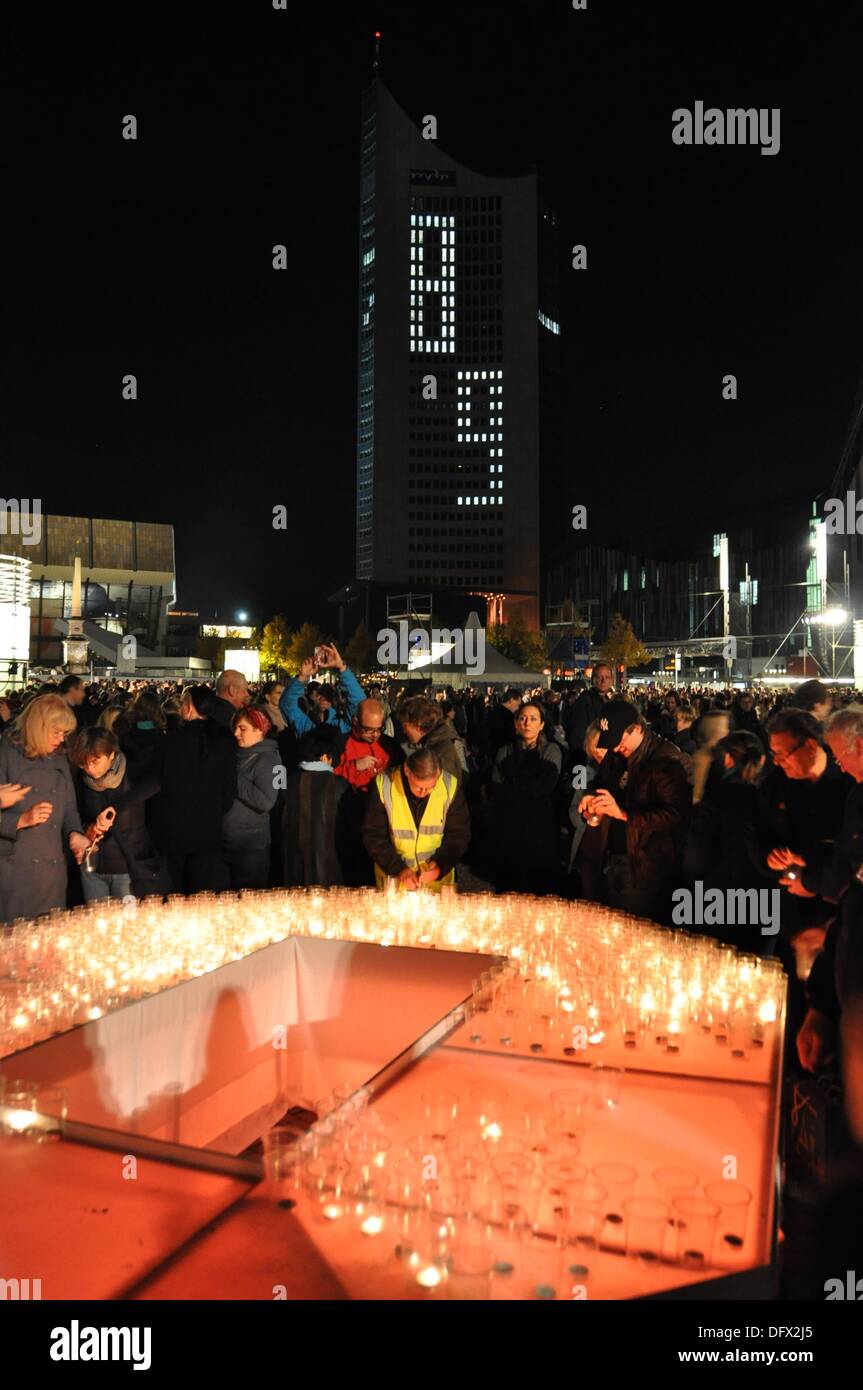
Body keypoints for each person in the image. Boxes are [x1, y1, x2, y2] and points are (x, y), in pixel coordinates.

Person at [579, 699, 692, 922]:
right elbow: (601, 782)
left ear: (638, 729)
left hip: (647, 866)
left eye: (620, 741)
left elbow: (676, 816)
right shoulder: (617, 754)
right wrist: (591, 797)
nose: (615, 748)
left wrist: (623, 814)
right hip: (612, 858)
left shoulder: (668, 760)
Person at [0, 694, 91, 923]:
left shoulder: (59, 758)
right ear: (38, 727)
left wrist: (75, 833)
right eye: (56, 732)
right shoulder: (8, 753)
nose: (61, 739)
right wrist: (21, 820)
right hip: (15, 870)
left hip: (52, 871)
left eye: (64, 733)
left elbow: (69, 807)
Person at [148, 685, 237, 894]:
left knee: (174, 893)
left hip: (173, 831)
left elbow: (156, 784)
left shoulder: (171, 740)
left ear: (188, 708)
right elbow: (229, 791)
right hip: (208, 830)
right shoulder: (224, 742)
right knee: (202, 894)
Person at [70, 725, 163, 901]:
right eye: (84, 763)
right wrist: (87, 828)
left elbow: (156, 783)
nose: (89, 769)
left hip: (128, 866)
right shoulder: (80, 781)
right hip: (92, 867)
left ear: (111, 755)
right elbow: (73, 815)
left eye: (95, 761)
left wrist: (116, 807)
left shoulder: (133, 773)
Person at [363, 748, 470, 892]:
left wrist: (440, 865)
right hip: (395, 887)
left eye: (431, 787)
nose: (425, 793)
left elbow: (458, 835)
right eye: (419, 788)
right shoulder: (384, 785)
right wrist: (399, 869)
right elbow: (373, 836)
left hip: (437, 888)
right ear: (407, 771)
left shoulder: (449, 786)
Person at [484, 702, 563, 896]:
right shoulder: (505, 750)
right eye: (522, 718)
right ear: (516, 723)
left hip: (540, 825)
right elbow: (495, 787)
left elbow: (545, 786)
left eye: (533, 719)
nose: (527, 723)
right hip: (509, 826)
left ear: (542, 724)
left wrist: (512, 784)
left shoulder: (552, 750)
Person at [283, 724, 353, 887]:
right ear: (325, 757)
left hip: (292, 869)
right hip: (331, 868)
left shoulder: (287, 783)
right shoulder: (339, 785)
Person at [222, 706, 281, 889]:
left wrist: (234, 778)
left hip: (250, 846)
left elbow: (265, 801)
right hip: (226, 841)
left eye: (243, 728)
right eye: (235, 728)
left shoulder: (268, 759)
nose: (236, 733)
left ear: (259, 729)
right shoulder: (237, 754)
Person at [280, 644, 364, 738]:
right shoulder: (303, 724)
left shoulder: (341, 726)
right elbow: (287, 704)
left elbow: (360, 704)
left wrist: (341, 667)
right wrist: (303, 677)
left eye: (328, 696)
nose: (323, 699)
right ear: (314, 697)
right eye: (320, 694)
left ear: (333, 701)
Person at [333, 698, 401, 790]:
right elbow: (329, 780)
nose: (375, 735)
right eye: (368, 730)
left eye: (379, 729)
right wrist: (354, 766)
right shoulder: (340, 744)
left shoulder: (389, 744)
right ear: (355, 722)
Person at [398, 695, 463, 781]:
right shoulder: (435, 744)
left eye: (405, 726)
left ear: (418, 724)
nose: (404, 731)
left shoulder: (438, 752)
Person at [568, 663, 615, 766]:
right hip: (588, 758)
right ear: (593, 679)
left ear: (611, 680)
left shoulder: (608, 700)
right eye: (599, 677)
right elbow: (578, 733)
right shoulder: (584, 701)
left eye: (607, 677)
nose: (603, 681)